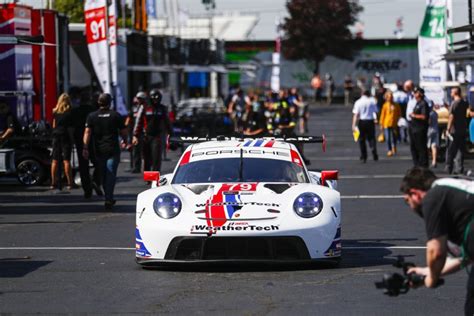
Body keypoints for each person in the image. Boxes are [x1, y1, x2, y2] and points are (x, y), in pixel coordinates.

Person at [400, 167, 474, 315]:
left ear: (415, 194)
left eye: (407, 201)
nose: (410, 207)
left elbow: (436, 252)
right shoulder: (453, 191)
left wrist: (431, 280)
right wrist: (426, 272)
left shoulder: (433, 197)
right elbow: (463, 258)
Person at [83, 93, 128, 210]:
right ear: (110, 102)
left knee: (103, 174)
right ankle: (108, 197)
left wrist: (85, 147)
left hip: (99, 150)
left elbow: (87, 133)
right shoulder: (115, 115)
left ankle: (108, 196)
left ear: (98, 102)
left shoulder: (91, 116)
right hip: (113, 149)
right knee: (111, 174)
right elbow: (123, 131)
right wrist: (125, 141)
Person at [132, 89, 172, 172]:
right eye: (154, 98)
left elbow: (167, 122)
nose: (155, 100)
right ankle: (148, 177)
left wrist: (171, 133)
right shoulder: (144, 107)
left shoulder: (162, 108)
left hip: (157, 136)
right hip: (146, 136)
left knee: (156, 158)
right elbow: (138, 121)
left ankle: (154, 178)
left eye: (157, 98)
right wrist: (135, 135)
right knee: (147, 158)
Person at [71, 93, 97, 198]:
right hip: (93, 139)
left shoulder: (75, 111)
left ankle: (87, 189)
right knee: (97, 162)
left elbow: (70, 125)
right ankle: (96, 180)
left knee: (83, 165)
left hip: (79, 139)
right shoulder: (93, 111)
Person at [50, 93, 74, 190]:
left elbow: (54, 125)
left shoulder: (55, 112)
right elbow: (71, 128)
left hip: (56, 135)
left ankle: (53, 182)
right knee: (66, 160)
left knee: (55, 160)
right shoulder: (70, 112)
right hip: (65, 135)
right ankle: (70, 183)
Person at [446, 87, 469, 174]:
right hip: (462, 129)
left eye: (451, 92)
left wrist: (448, 129)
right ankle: (459, 168)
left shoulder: (454, 103)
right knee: (460, 150)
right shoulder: (464, 102)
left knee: (451, 150)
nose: (450, 93)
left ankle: (449, 167)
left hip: (454, 130)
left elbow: (452, 116)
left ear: (455, 93)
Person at [352, 90, 379, 163]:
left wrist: (353, 125)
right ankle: (373, 149)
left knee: (362, 139)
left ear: (362, 94)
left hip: (362, 121)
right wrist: (376, 119)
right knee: (372, 138)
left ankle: (364, 156)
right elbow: (375, 112)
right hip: (370, 121)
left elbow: (356, 114)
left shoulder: (358, 102)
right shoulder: (372, 101)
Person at [408, 87, 430, 167]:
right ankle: (416, 164)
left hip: (420, 129)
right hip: (414, 128)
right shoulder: (417, 103)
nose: (414, 94)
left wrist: (414, 115)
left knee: (421, 147)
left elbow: (424, 116)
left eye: (416, 92)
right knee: (414, 147)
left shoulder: (423, 103)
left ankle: (423, 165)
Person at [126, 92, 147, 173]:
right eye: (137, 98)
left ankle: (145, 167)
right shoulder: (134, 108)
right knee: (135, 150)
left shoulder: (146, 108)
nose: (138, 100)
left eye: (140, 98)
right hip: (135, 132)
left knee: (144, 151)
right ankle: (136, 167)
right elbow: (129, 118)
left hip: (143, 132)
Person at [379, 90, 401, 157]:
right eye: (389, 97)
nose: (390, 98)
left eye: (391, 97)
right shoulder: (385, 105)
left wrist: (399, 121)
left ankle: (394, 146)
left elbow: (399, 113)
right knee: (388, 137)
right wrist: (381, 124)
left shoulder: (396, 105)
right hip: (386, 123)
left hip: (394, 123)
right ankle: (389, 150)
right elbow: (383, 115)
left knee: (394, 137)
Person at [427, 104, 439, 168]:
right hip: (435, 130)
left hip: (429, 130)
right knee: (434, 146)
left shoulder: (429, 114)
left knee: (427, 146)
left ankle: (427, 160)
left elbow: (429, 122)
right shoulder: (435, 113)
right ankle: (434, 161)